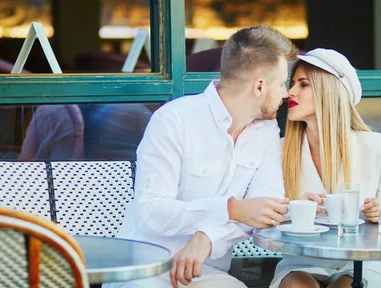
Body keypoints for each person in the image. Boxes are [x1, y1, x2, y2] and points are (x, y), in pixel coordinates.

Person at [110, 26, 298, 288]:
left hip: (206, 271)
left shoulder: (266, 131)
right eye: (281, 83)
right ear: (259, 86)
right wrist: (231, 209)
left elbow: (265, 208)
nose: (286, 93)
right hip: (145, 268)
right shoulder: (174, 120)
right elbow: (150, 212)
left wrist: (207, 237)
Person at [271, 48, 381, 288]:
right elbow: (266, 216)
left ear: (328, 92)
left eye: (303, 84)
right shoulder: (279, 150)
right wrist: (297, 209)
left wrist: (380, 212)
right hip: (301, 261)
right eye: (292, 83)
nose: (290, 92)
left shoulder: (376, 147)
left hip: (359, 261)